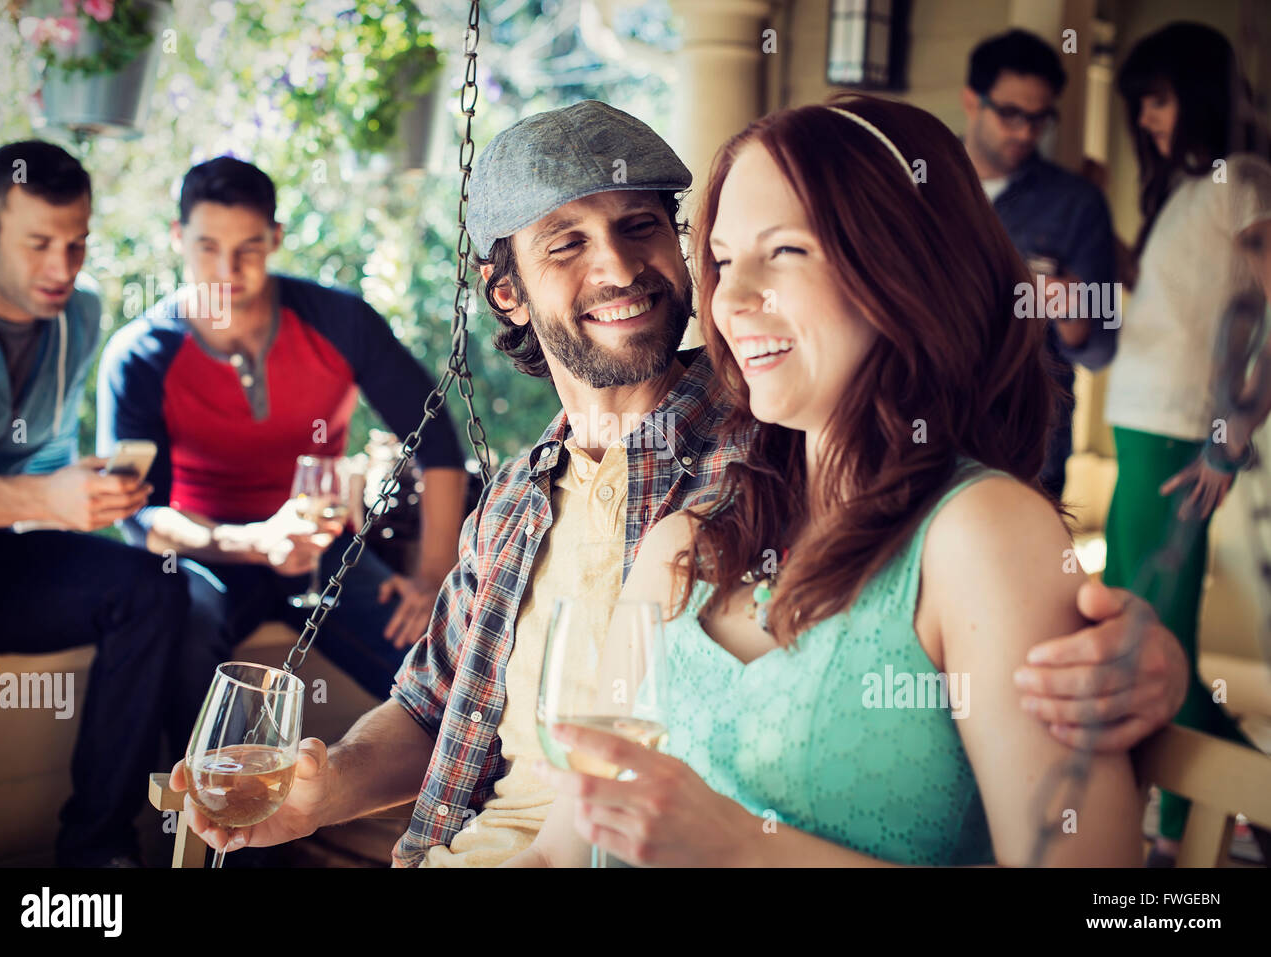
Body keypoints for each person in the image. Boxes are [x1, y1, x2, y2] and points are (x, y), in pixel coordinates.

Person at [170, 101, 1189, 868]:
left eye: (644, 227)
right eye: (566, 242)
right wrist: (323, 786)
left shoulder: (752, 446)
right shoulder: (571, 503)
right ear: (505, 290)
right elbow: (459, 722)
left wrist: (1143, 658)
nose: (625, 269)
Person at [512, 94, 1144, 867]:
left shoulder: (983, 535)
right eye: (721, 259)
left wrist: (747, 849)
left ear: (905, 266)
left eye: (784, 252)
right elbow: (560, 850)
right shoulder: (687, 544)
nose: (732, 301)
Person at [96, 156, 469, 746]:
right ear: (177, 239)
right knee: (185, 634)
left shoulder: (340, 320)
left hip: (322, 551)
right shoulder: (139, 355)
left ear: (275, 238)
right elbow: (140, 517)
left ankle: (472, 820)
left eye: (248, 247)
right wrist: (249, 543)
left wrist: (431, 576)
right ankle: (221, 832)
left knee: (437, 662)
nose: (227, 269)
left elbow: (436, 438)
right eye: (207, 247)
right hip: (205, 555)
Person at [0, 140, 187, 867]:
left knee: (152, 586)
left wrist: (82, 483)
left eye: (77, 242)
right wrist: (43, 496)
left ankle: (99, 847)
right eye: (38, 244)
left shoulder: (80, 312)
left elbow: (29, 454)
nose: (62, 267)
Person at [1103, 22, 1271, 866]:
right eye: (1142, 103)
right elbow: (1178, 296)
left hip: (1179, 438)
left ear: (1201, 92)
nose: (1150, 117)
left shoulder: (1242, 180)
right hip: (1142, 427)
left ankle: (1252, 801)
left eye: (1161, 98)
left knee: (1155, 647)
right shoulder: (1192, 189)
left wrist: (1229, 437)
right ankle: (1172, 830)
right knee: (1130, 631)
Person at [961, 29, 1118, 498]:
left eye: (1039, 118)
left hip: (1029, 450)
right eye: (1011, 114)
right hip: (920, 435)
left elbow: (1102, 347)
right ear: (973, 100)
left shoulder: (1078, 203)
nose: (1026, 132)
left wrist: (1072, 311)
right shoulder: (918, 182)